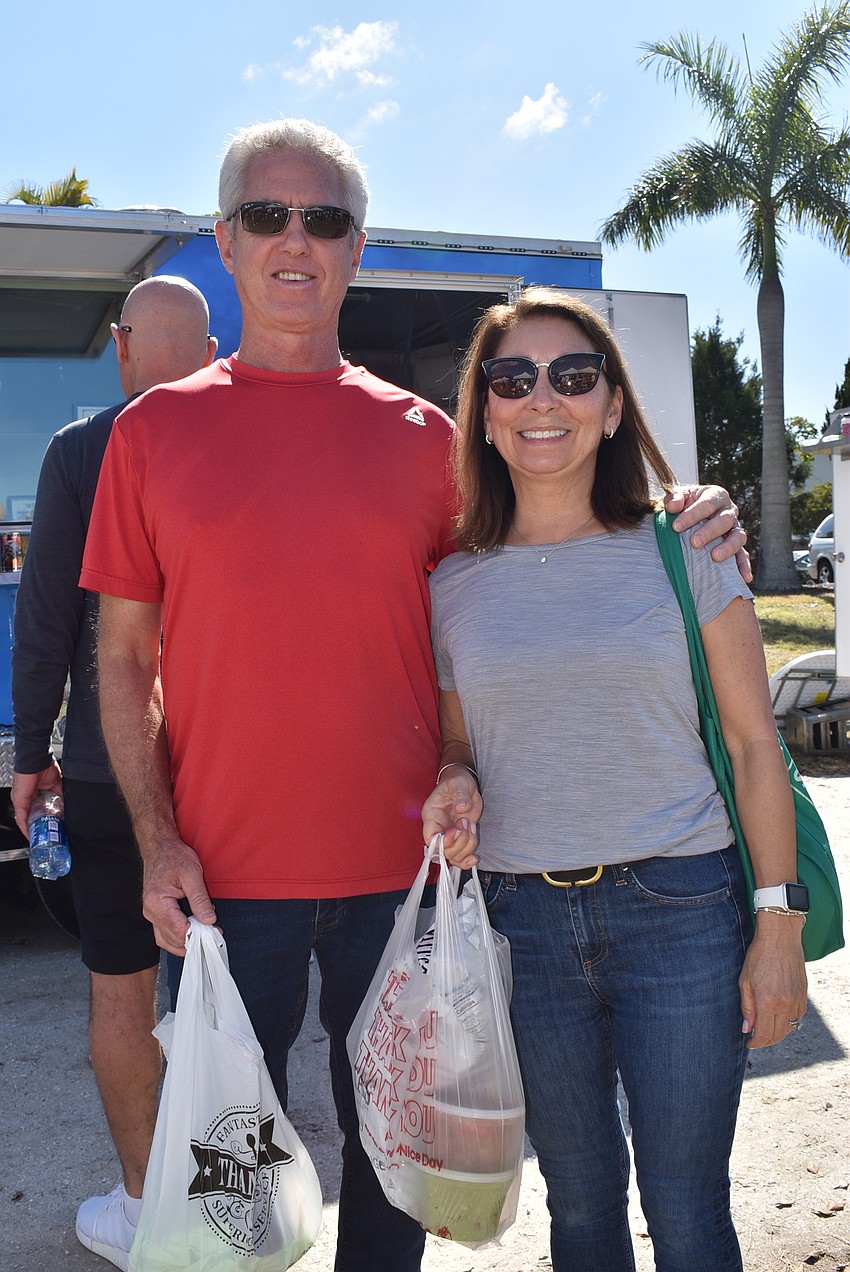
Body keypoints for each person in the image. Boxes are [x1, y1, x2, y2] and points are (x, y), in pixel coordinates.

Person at [80, 119, 745, 1272]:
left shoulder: (429, 441)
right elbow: (125, 660)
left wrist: (689, 508)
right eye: (268, 216)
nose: (297, 240)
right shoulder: (150, 434)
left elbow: (542, 550)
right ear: (225, 241)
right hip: (220, 882)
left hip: (410, 880)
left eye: (325, 219)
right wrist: (155, 841)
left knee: (398, 1173)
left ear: (357, 246)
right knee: (228, 1187)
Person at [422, 287, 807, 1272]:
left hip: (680, 911)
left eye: (573, 374)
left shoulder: (689, 548)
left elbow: (752, 744)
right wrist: (455, 779)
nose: (542, 398)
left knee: (687, 1209)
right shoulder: (452, 585)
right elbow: (458, 742)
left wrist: (777, 929)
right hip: (522, 926)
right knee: (581, 1203)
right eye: (513, 377)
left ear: (611, 404)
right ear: (485, 412)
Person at [11, 275, 216, 1268]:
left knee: (122, 990)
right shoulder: (241, 438)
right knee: (235, 988)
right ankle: (233, 1202)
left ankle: (146, 1214)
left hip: (105, 768)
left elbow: (46, 618)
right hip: (230, 767)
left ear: (123, 346)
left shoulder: (80, 451)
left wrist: (29, 756)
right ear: (211, 352)